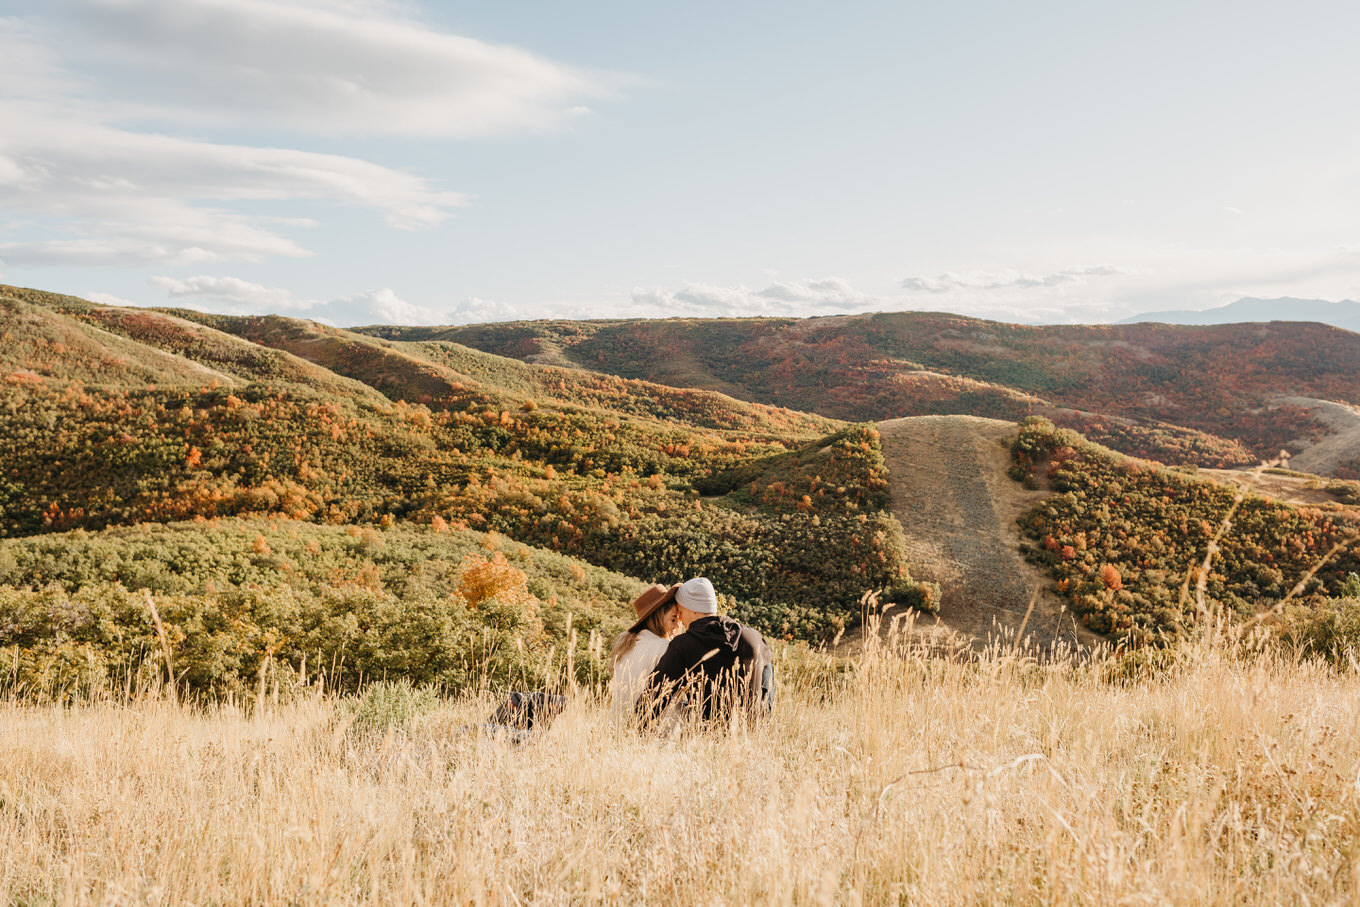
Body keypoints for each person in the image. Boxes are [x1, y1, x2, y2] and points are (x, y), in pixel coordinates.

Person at [635, 577, 773, 729]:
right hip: (751, 736)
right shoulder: (753, 636)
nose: (679, 619)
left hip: (709, 739)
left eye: (680, 611)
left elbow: (656, 695)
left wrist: (635, 727)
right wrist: (761, 722)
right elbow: (767, 685)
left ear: (693, 609)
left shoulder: (684, 644)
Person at [607, 583, 681, 723]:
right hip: (646, 732)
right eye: (673, 619)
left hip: (616, 727)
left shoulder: (625, 644)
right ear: (658, 616)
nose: (677, 626)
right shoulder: (664, 647)